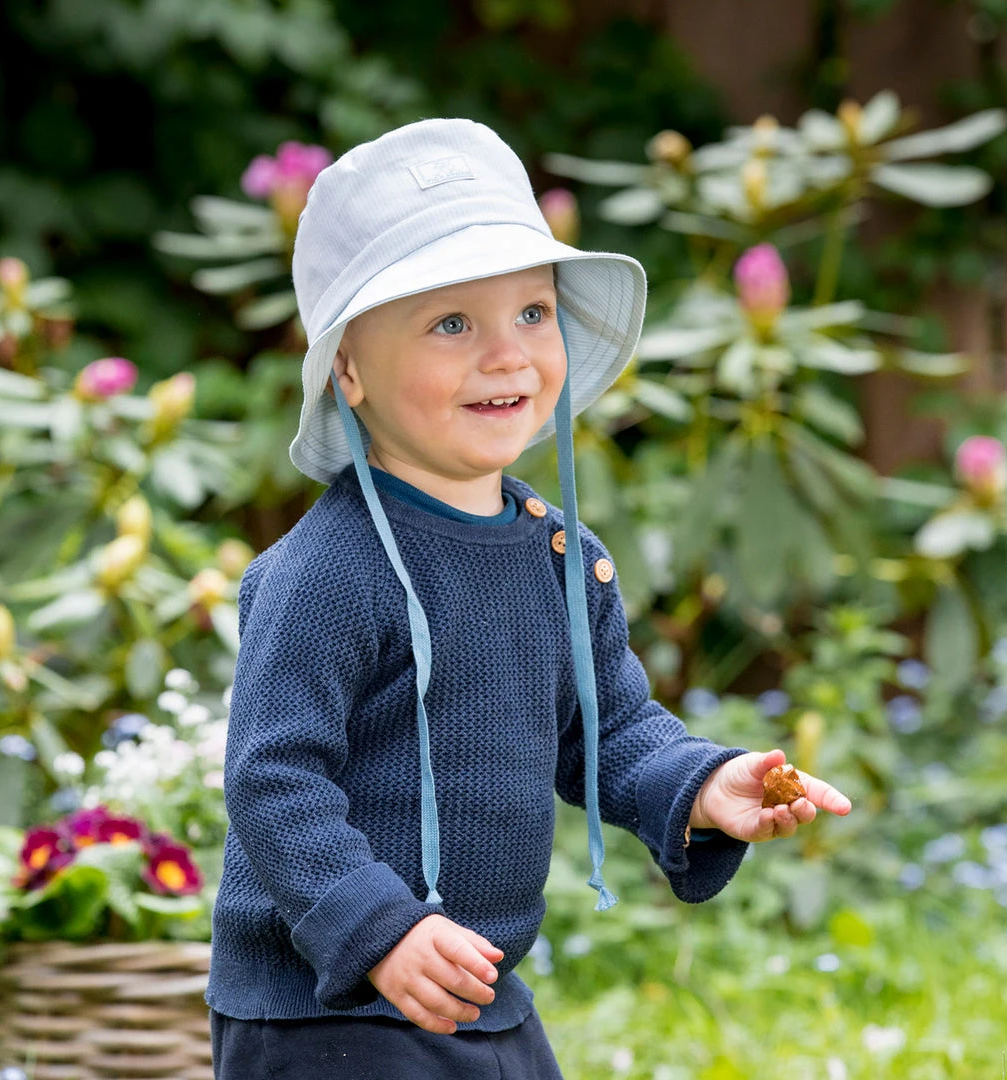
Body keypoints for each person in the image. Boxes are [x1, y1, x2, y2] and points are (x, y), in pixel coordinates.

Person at [204, 117, 853, 1079]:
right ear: (350, 367)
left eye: (534, 313)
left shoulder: (557, 553)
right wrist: (377, 930)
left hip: (475, 984)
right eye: (452, 323)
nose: (507, 355)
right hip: (324, 1007)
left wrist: (703, 788)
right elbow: (274, 781)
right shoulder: (327, 572)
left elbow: (609, 731)